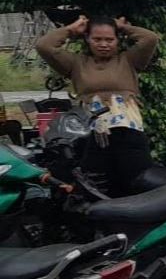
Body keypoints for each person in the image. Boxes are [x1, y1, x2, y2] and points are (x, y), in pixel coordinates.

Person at [35, 15, 158, 195]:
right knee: (97, 187)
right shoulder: (76, 63)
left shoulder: (129, 60)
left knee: (140, 183)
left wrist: (122, 27)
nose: (103, 44)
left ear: (117, 40)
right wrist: (72, 29)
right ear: (87, 39)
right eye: (97, 39)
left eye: (109, 39)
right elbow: (44, 46)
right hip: (94, 136)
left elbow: (150, 39)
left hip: (129, 134)